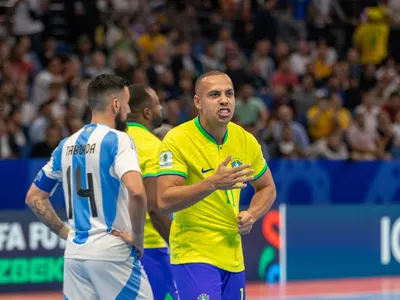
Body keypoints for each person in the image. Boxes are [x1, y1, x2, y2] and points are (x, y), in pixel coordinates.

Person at [25, 74, 153, 300]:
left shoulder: (66, 145)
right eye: (126, 103)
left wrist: (65, 233)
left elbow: (34, 197)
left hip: (75, 256)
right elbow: (136, 191)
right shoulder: (119, 140)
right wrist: (138, 237)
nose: (127, 109)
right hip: (112, 253)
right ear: (115, 105)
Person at [157, 70, 277, 299]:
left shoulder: (245, 140)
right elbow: (164, 200)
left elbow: (267, 188)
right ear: (198, 102)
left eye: (229, 94)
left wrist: (252, 213)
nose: (224, 100)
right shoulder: (178, 139)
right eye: (214, 94)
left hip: (233, 255)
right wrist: (211, 183)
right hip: (194, 254)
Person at [126, 84, 178, 300]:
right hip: (149, 247)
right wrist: (178, 244)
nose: (161, 109)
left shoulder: (111, 140)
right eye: (158, 104)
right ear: (147, 112)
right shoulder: (153, 146)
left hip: (112, 247)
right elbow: (155, 207)